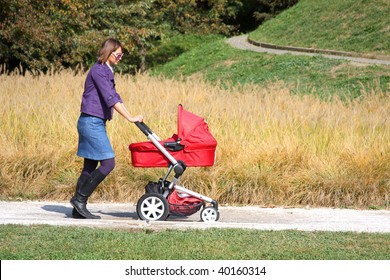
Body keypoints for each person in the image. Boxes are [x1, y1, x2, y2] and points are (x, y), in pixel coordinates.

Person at [70, 38, 143, 219]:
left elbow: (115, 97)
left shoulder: (104, 71)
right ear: (108, 52)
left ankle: (78, 207)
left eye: (122, 55)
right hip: (91, 123)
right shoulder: (99, 71)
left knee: (90, 165)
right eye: (118, 54)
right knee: (108, 163)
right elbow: (110, 98)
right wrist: (130, 118)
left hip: (93, 122)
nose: (120, 58)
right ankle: (79, 199)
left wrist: (132, 116)